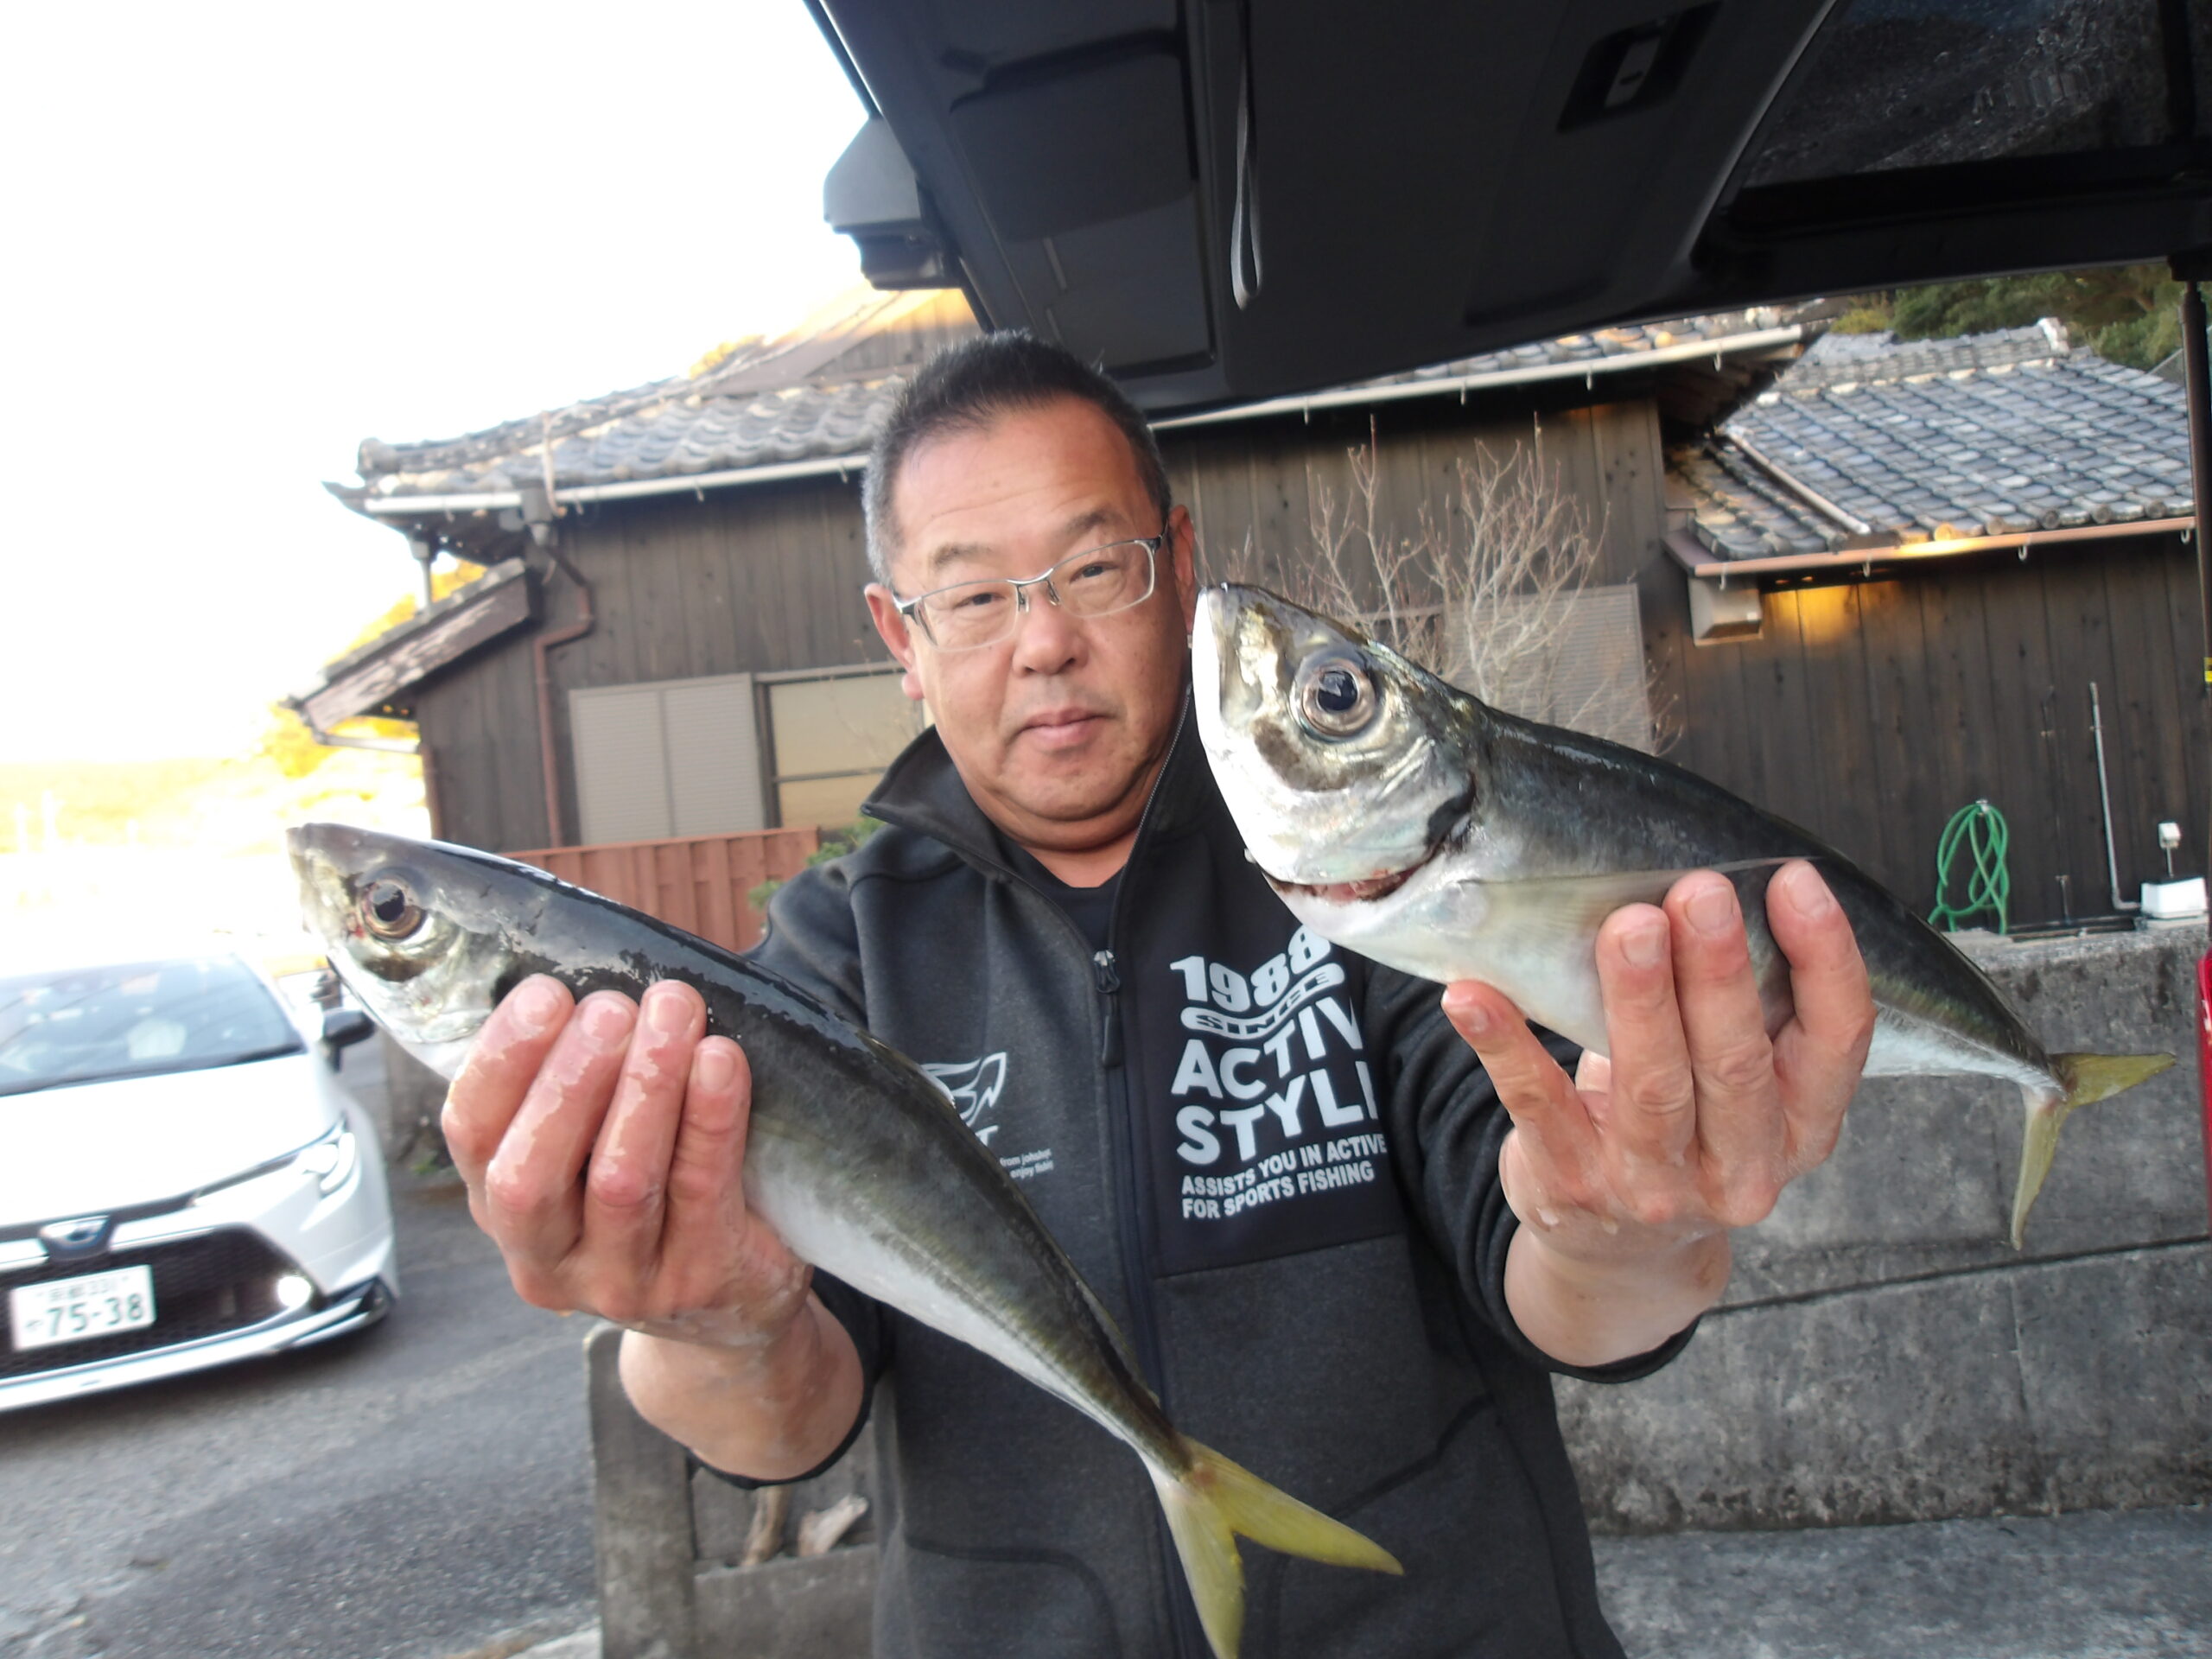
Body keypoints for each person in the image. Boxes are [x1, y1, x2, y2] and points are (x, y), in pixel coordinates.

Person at [442, 335, 1875, 1657]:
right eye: (973, 594)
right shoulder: (834, 954)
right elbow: (791, 1414)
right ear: (901, 636)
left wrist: (1635, 1234)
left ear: (1181, 567)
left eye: (1091, 568)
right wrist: (712, 1328)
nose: (1043, 641)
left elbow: (1564, 1278)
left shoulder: (1378, 872)